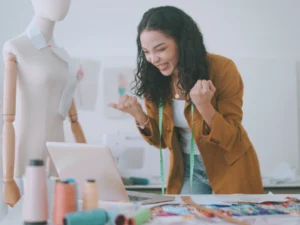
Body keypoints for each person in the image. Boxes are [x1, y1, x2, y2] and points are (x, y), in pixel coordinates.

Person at [109, 5, 264, 195]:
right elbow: (161, 142)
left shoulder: (222, 69)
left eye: (160, 49)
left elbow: (232, 138)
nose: (153, 59)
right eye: (146, 52)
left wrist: (204, 106)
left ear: (182, 42)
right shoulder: (155, 80)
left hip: (230, 165)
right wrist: (139, 115)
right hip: (189, 169)